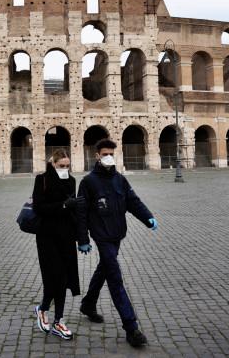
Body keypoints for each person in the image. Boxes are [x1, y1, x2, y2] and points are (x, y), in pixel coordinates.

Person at [76, 138, 159, 347]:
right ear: (97, 156)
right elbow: (81, 213)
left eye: (111, 153)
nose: (108, 157)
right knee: (115, 277)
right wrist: (83, 239)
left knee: (105, 267)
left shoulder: (120, 179)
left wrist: (148, 217)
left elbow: (133, 201)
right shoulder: (88, 182)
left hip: (117, 234)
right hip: (102, 236)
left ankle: (88, 304)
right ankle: (131, 328)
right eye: (104, 154)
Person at [32, 149, 80, 340]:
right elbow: (38, 207)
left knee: (65, 278)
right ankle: (43, 309)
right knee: (53, 277)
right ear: (53, 164)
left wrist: (81, 236)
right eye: (61, 166)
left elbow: (73, 211)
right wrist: (63, 206)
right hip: (47, 236)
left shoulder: (71, 181)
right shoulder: (42, 180)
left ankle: (58, 320)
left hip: (66, 236)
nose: (65, 169)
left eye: (67, 166)